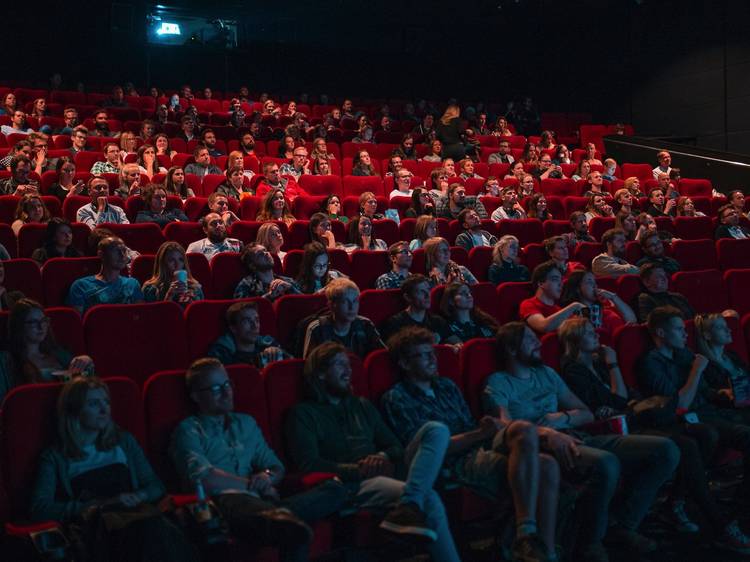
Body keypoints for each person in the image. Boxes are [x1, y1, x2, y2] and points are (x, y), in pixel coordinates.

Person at [485, 322, 680, 561]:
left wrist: (562, 417)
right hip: (543, 446)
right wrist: (547, 433)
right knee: (607, 463)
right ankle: (592, 541)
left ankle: (622, 525)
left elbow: (585, 413)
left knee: (666, 450)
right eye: (529, 339)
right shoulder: (498, 382)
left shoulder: (547, 373)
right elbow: (505, 428)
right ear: (511, 349)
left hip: (578, 435)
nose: (538, 343)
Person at [558, 317, 750, 552]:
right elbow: (619, 399)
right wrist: (613, 365)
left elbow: (623, 396)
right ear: (575, 340)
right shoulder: (575, 369)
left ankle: (686, 506)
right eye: (589, 333)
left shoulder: (599, 362)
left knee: (701, 436)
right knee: (688, 444)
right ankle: (718, 524)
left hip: (639, 416)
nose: (597, 335)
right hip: (620, 426)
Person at [382, 327, 556, 561]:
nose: (433, 359)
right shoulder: (398, 397)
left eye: (433, 353)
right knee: (545, 466)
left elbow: (469, 426)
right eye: (424, 355)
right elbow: (429, 451)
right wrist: (479, 434)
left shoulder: (446, 386)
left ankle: (536, 543)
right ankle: (530, 544)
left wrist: (485, 428)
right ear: (404, 364)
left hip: (478, 446)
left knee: (524, 431)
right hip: (454, 462)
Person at [286, 342, 462, 560]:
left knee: (437, 430)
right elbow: (309, 464)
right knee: (429, 498)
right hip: (355, 483)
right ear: (320, 373)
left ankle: (409, 504)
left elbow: (395, 446)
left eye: (348, 364)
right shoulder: (303, 413)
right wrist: (359, 470)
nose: (348, 370)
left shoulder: (361, 405)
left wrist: (381, 456)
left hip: (389, 468)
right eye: (340, 364)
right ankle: (412, 503)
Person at [170, 358, 347, 562]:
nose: (227, 392)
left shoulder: (246, 423)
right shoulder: (189, 430)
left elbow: (276, 467)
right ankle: (283, 521)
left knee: (335, 489)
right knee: (291, 530)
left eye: (228, 384)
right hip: (225, 503)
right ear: (196, 396)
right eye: (216, 388)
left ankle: (281, 518)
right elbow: (203, 479)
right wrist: (251, 485)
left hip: (261, 501)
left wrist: (267, 477)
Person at [31, 377, 198, 562]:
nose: (104, 410)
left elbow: (155, 486)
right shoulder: (55, 457)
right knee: (149, 532)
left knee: (157, 528)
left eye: (106, 402)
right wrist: (98, 504)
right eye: (94, 404)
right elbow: (40, 508)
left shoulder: (123, 441)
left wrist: (140, 495)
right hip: (99, 525)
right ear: (74, 410)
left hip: (139, 514)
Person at [638, 307, 750, 502]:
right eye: (679, 329)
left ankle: (741, 496)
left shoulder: (684, 354)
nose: (685, 334)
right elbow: (680, 405)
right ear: (661, 333)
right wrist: (696, 371)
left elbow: (706, 392)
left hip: (709, 411)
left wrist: (726, 394)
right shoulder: (651, 363)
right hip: (685, 419)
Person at [0, 299, 94, 402]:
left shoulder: (58, 353)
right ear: (19, 326)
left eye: (44, 321)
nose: (41, 327)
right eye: (33, 322)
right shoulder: (6, 360)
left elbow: (85, 384)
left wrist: (87, 362)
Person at [302, 278, 384, 358]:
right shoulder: (317, 329)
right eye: (345, 302)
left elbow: (382, 357)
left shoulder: (365, 325)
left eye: (355, 301)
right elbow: (310, 367)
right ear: (331, 305)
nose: (352, 307)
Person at [66, 236, 144, 314]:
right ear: (101, 254)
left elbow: (140, 318)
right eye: (116, 251)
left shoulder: (133, 284)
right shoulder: (81, 286)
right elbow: (77, 323)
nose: (122, 255)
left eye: (124, 251)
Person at [560, 270, 636, 344]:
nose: (595, 286)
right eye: (590, 282)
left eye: (595, 282)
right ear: (577, 288)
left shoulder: (606, 310)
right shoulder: (571, 315)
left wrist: (613, 297)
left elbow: (632, 320)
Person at [380, 275, 458, 344]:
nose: (428, 295)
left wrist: (454, 347)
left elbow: (457, 343)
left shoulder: (437, 321)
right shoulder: (396, 323)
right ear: (408, 297)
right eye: (421, 291)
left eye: (428, 290)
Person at [208, 302, 288, 368]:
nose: (255, 325)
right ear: (233, 328)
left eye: (257, 320)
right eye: (246, 321)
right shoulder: (225, 359)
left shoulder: (269, 349)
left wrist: (278, 352)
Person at [520, 261, 587, 334]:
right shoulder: (528, 304)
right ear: (541, 283)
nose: (561, 284)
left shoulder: (559, 310)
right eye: (555, 279)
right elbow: (543, 326)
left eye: (561, 280)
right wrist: (574, 306)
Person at [234, 244, 299, 302]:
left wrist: (291, 288)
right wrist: (269, 296)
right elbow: (241, 309)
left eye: (265, 250)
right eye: (260, 254)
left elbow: (306, 303)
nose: (266, 253)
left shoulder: (287, 281)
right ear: (252, 265)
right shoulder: (247, 284)